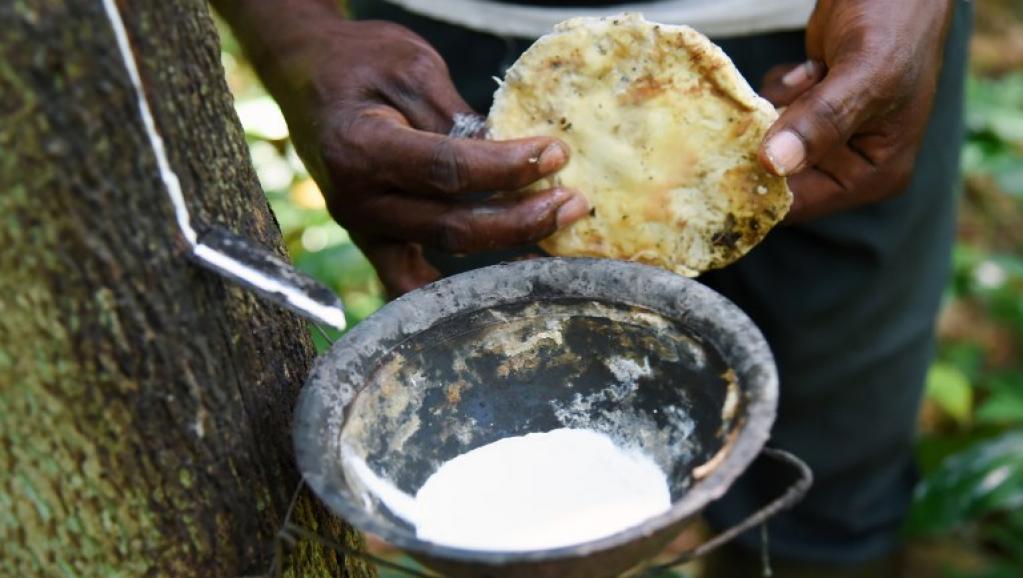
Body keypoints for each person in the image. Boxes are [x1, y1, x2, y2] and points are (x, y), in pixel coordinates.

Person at [213, 0, 973, 575]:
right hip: (446, 68)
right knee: (500, 513)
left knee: (831, 504)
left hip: (845, 36)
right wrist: (295, 34)